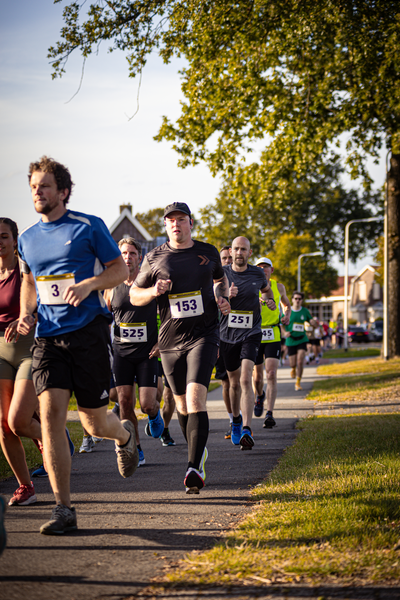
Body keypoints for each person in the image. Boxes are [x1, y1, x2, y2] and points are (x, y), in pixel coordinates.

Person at [17, 156, 139, 535]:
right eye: (34, 185)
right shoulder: (27, 238)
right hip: (48, 339)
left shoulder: (89, 226)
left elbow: (119, 269)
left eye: (45, 185)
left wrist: (89, 285)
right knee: (52, 416)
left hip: (87, 333)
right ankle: (63, 508)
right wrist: (26, 312)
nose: (38, 191)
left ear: (63, 191)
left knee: (93, 420)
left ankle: (124, 435)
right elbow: (28, 280)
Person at [130, 202, 231, 494]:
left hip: (205, 334)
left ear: (190, 223)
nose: (176, 224)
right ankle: (197, 454)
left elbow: (220, 281)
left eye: (181, 219)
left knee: (196, 398)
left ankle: (193, 467)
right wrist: (153, 291)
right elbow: (135, 294)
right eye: (171, 221)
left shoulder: (208, 252)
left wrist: (222, 299)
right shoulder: (154, 258)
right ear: (165, 226)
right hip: (170, 341)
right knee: (183, 405)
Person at [104, 237, 164, 466]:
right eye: (123, 253)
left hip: (148, 353)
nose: (127, 257)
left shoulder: (150, 283)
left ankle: (154, 415)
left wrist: (160, 342)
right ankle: (135, 447)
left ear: (140, 257)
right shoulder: (111, 286)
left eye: (131, 253)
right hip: (122, 353)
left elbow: (166, 316)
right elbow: (105, 320)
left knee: (147, 403)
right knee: (125, 403)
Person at [0, 218, 42, 506]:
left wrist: (28, 317)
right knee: (3, 425)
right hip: (1, 350)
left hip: (30, 347)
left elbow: (46, 303)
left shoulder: (27, 268)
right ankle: (25, 486)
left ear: (15, 240)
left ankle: (52, 439)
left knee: (18, 422)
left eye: (3, 236)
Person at [219, 237, 275, 451]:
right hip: (227, 335)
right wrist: (225, 295)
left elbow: (266, 289)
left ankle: (246, 429)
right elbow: (213, 296)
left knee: (245, 378)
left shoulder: (257, 274)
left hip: (251, 333)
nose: (239, 252)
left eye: (243, 249)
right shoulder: (222, 273)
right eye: (236, 249)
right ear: (231, 252)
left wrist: (268, 300)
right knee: (233, 384)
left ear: (250, 253)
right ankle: (235, 419)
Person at [252, 257, 291, 428]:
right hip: (255, 333)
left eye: (265, 267)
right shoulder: (251, 285)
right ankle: (259, 395)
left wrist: (287, 315)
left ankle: (270, 413)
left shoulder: (278, 286)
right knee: (257, 376)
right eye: (259, 267)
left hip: (273, 333)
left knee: (272, 373)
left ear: (271, 270)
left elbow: (287, 305)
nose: (262, 269)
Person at [216, 245, 238, 439]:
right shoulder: (213, 282)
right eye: (224, 259)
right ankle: (233, 421)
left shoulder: (245, 278)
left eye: (230, 258)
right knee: (225, 382)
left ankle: (242, 421)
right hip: (221, 337)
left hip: (241, 336)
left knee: (241, 381)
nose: (228, 262)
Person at [283, 291, 317, 391]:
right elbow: (282, 325)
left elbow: (312, 323)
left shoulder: (305, 311)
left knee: (300, 360)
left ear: (302, 300)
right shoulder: (287, 311)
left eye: (299, 299)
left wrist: (313, 323)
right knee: (292, 363)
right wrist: (285, 332)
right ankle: (293, 368)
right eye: (296, 298)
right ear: (292, 299)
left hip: (302, 339)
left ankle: (298, 382)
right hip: (291, 340)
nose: (297, 300)